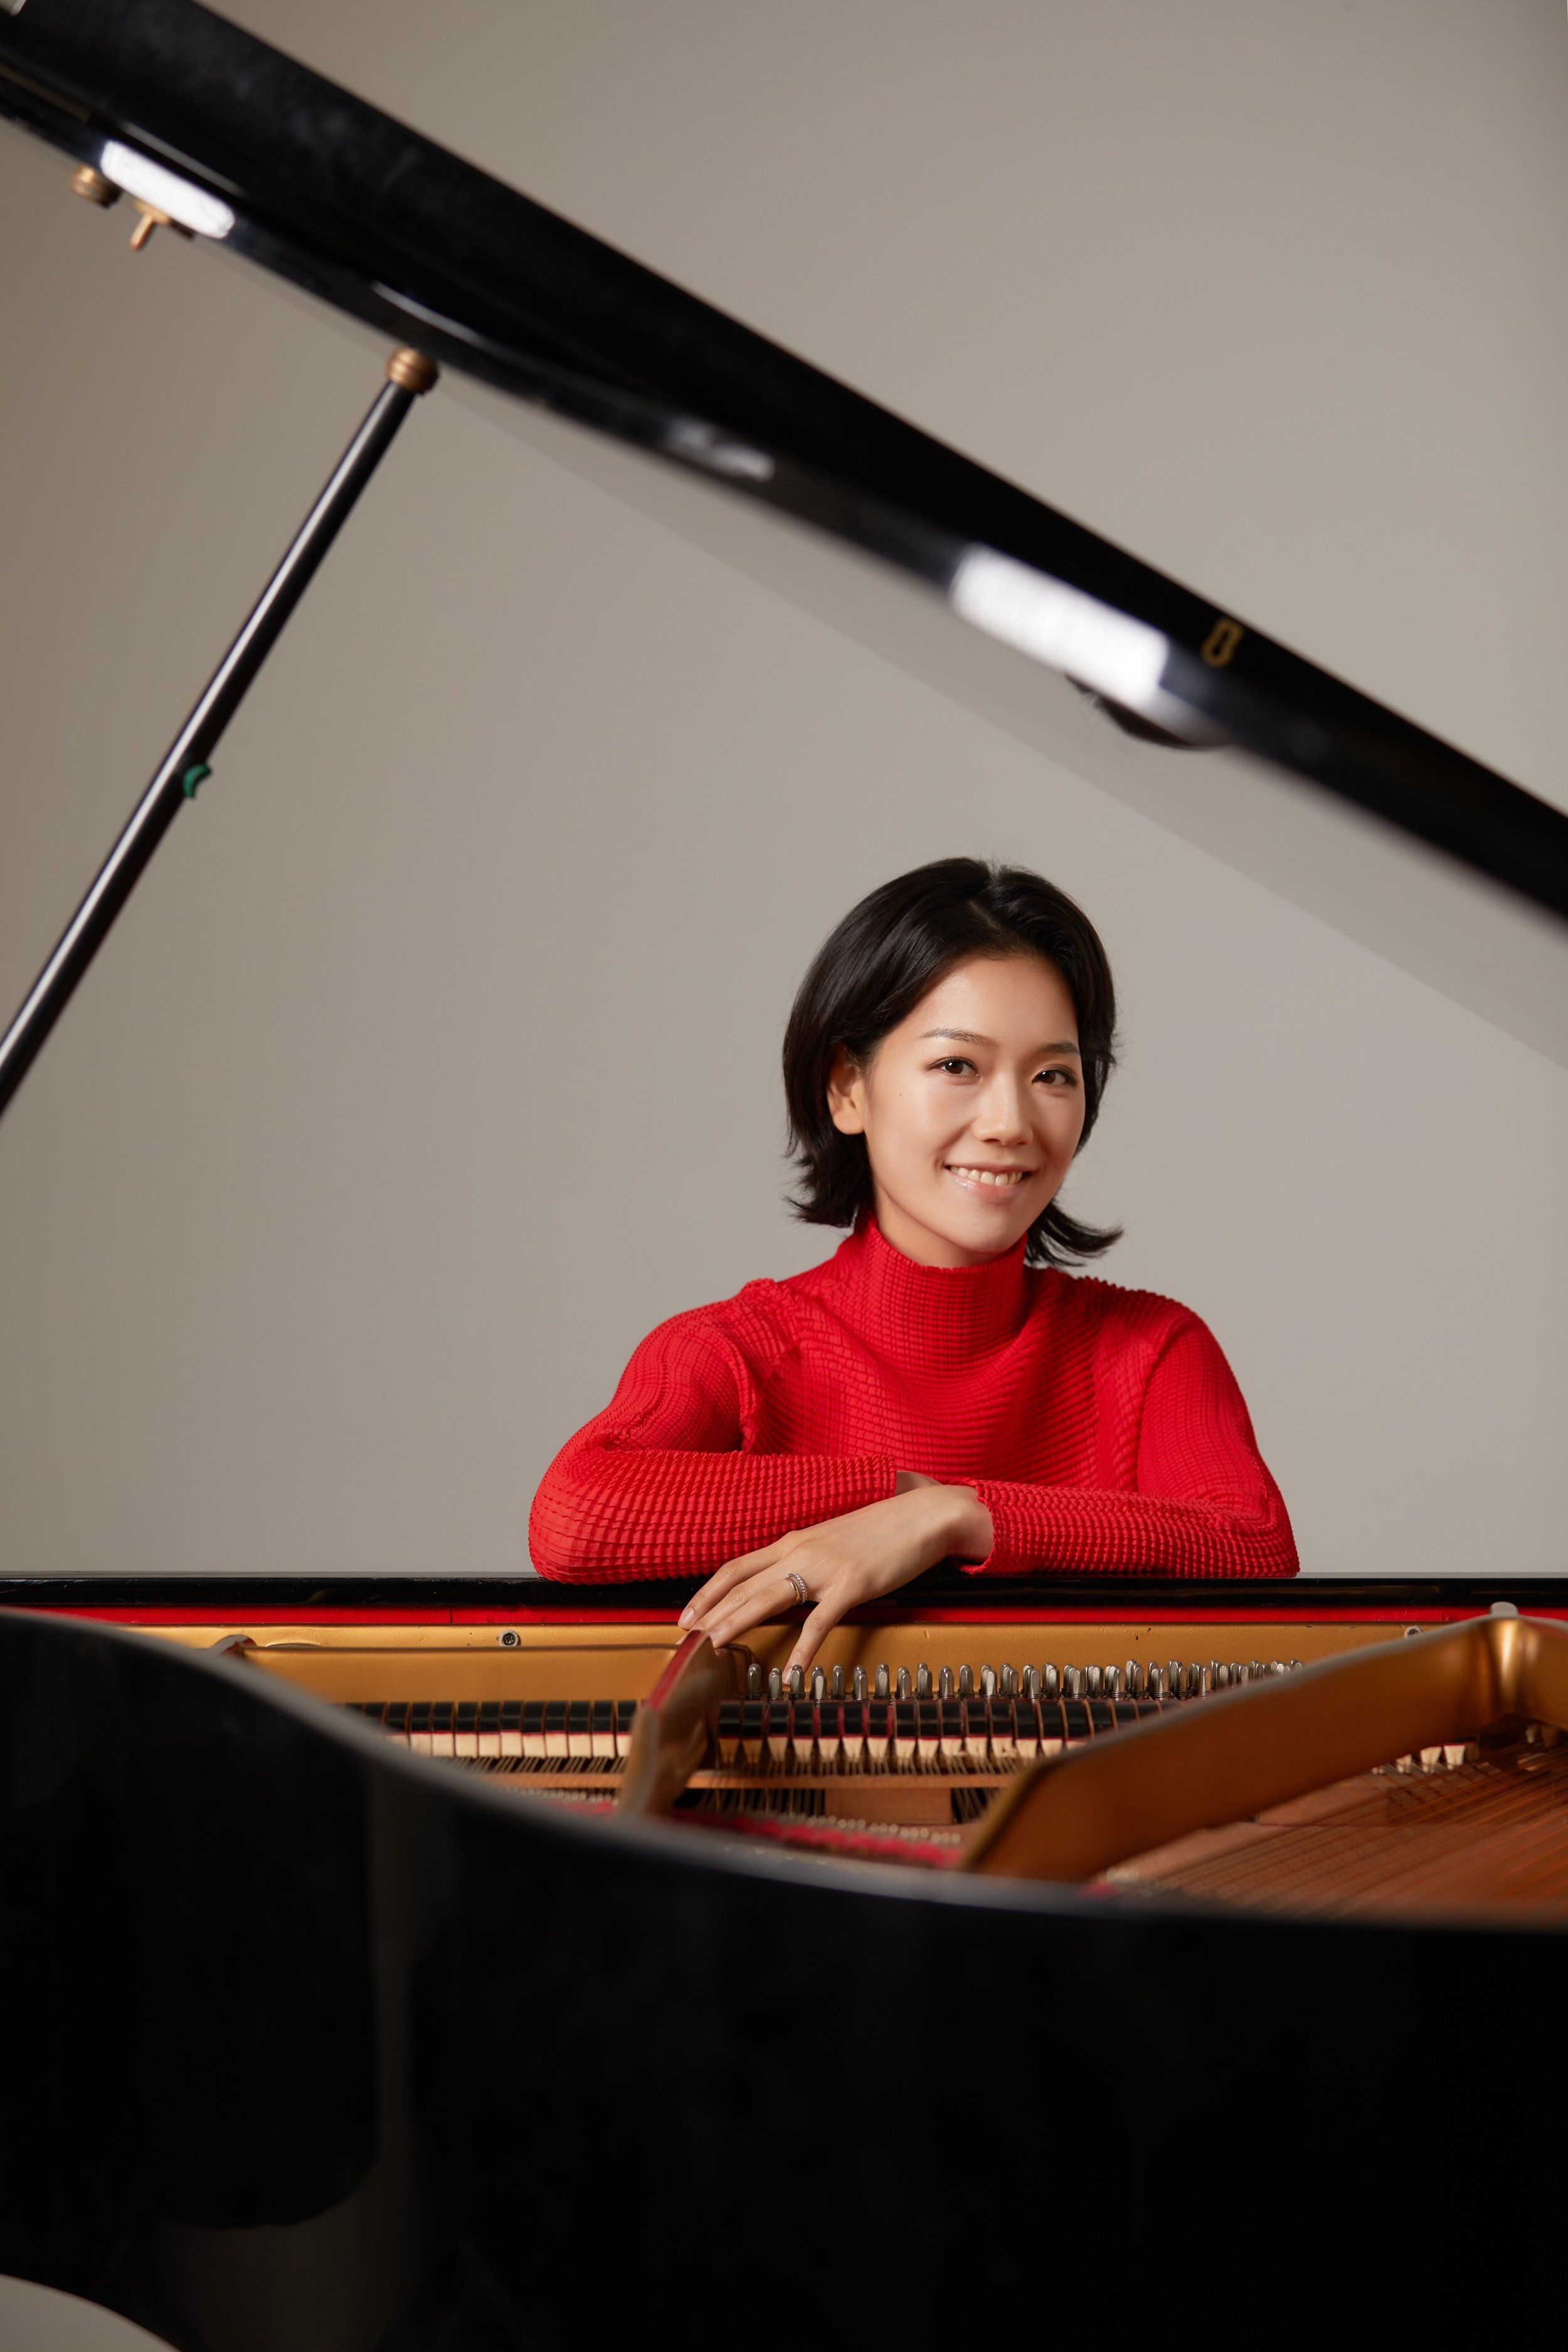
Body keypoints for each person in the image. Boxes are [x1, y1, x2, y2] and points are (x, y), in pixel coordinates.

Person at [529, 858, 1297, 1671]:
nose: (1009, 1120)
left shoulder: (1151, 1349)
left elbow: (1254, 1544)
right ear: (847, 1090)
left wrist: (956, 1518)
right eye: (957, 1066)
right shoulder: (736, 1350)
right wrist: (895, 1496)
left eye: (1052, 1075)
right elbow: (578, 1516)